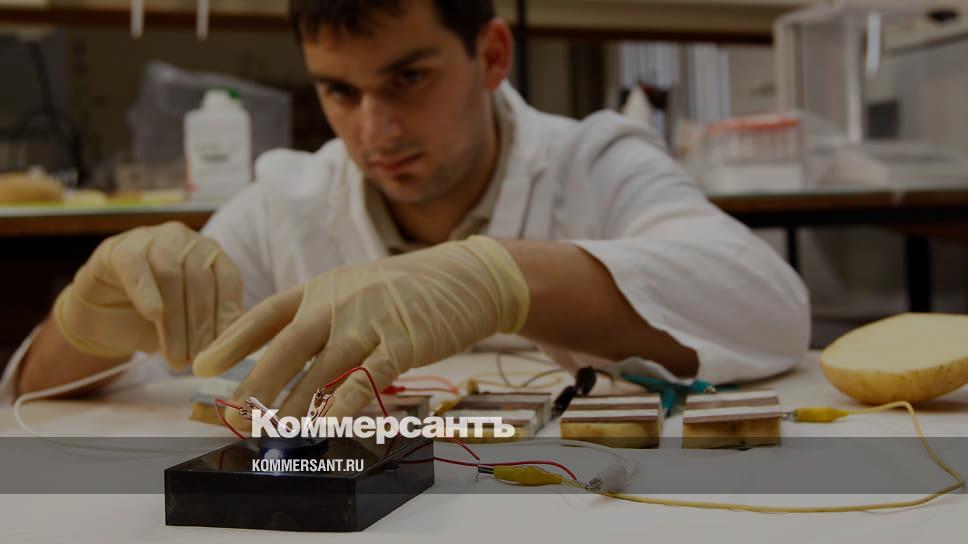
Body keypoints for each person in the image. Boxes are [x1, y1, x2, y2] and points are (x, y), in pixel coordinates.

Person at [3, 0, 810, 424]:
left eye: (408, 79)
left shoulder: (592, 160)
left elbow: (769, 303)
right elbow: (42, 403)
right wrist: (86, 324)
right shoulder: (287, 203)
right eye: (339, 91)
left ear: (491, 55)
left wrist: (499, 278)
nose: (374, 130)